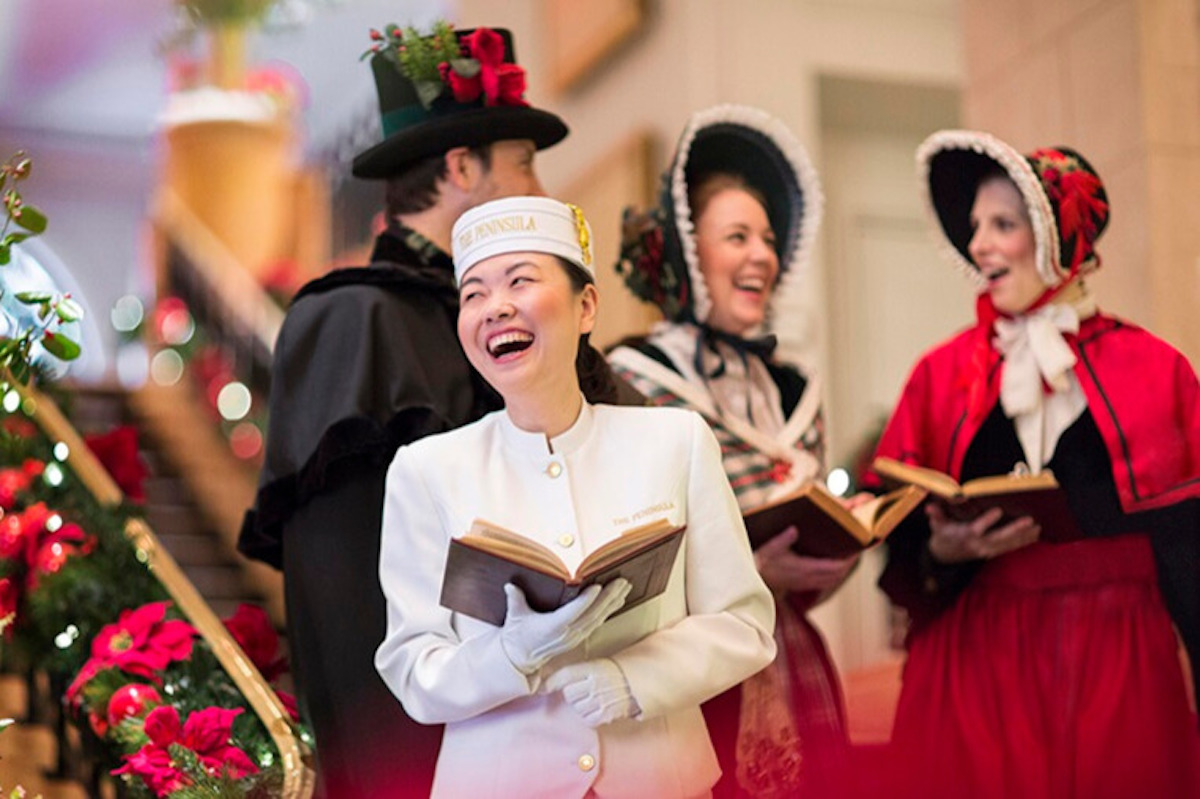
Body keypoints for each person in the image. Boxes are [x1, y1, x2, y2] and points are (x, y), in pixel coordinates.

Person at [238, 24, 572, 797]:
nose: (543, 191)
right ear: (462, 167)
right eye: (525, 164)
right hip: (419, 748)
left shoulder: (507, 325)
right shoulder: (355, 322)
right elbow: (346, 597)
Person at [374, 195, 776, 799]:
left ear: (586, 305)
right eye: (474, 294)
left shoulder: (676, 441)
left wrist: (634, 679)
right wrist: (510, 655)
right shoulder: (426, 471)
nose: (495, 306)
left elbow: (744, 624)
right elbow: (412, 669)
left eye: (520, 281)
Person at [868, 129, 1200, 799]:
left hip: (1117, 666)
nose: (979, 245)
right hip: (978, 670)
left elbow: (1191, 558)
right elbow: (898, 547)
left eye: (1003, 224)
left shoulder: (1156, 369)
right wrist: (941, 550)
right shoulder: (939, 375)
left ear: (1057, 239)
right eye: (975, 227)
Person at [607, 104, 857, 798]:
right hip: (697, 675)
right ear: (688, 256)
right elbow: (623, 559)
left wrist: (836, 550)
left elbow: (806, 570)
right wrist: (747, 571)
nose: (762, 256)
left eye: (768, 239)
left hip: (794, 655)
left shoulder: (789, 387)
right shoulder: (629, 379)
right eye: (737, 237)